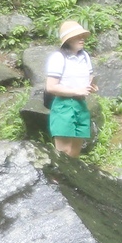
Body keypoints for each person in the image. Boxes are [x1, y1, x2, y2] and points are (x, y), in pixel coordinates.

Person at [44, 20, 97, 157]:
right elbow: (51, 86)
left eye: (82, 36)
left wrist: (90, 86)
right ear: (68, 40)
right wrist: (76, 91)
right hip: (63, 105)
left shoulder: (84, 56)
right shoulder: (58, 57)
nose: (82, 39)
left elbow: (88, 78)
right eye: (77, 36)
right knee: (64, 152)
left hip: (81, 104)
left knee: (75, 151)